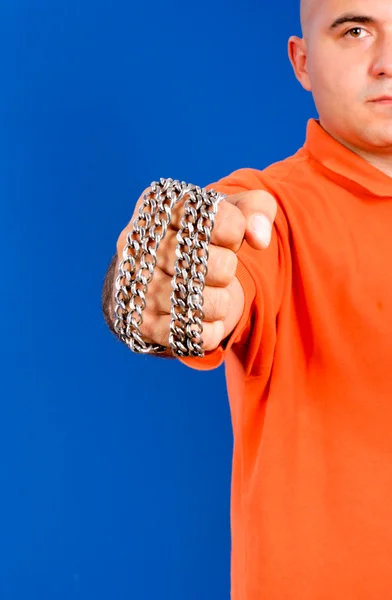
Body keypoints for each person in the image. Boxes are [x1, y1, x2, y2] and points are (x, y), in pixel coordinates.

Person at [101, 0, 392, 597]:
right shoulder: (267, 212)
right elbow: (218, 260)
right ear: (303, 60)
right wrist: (159, 284)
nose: (388, 61)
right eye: (357, 30)